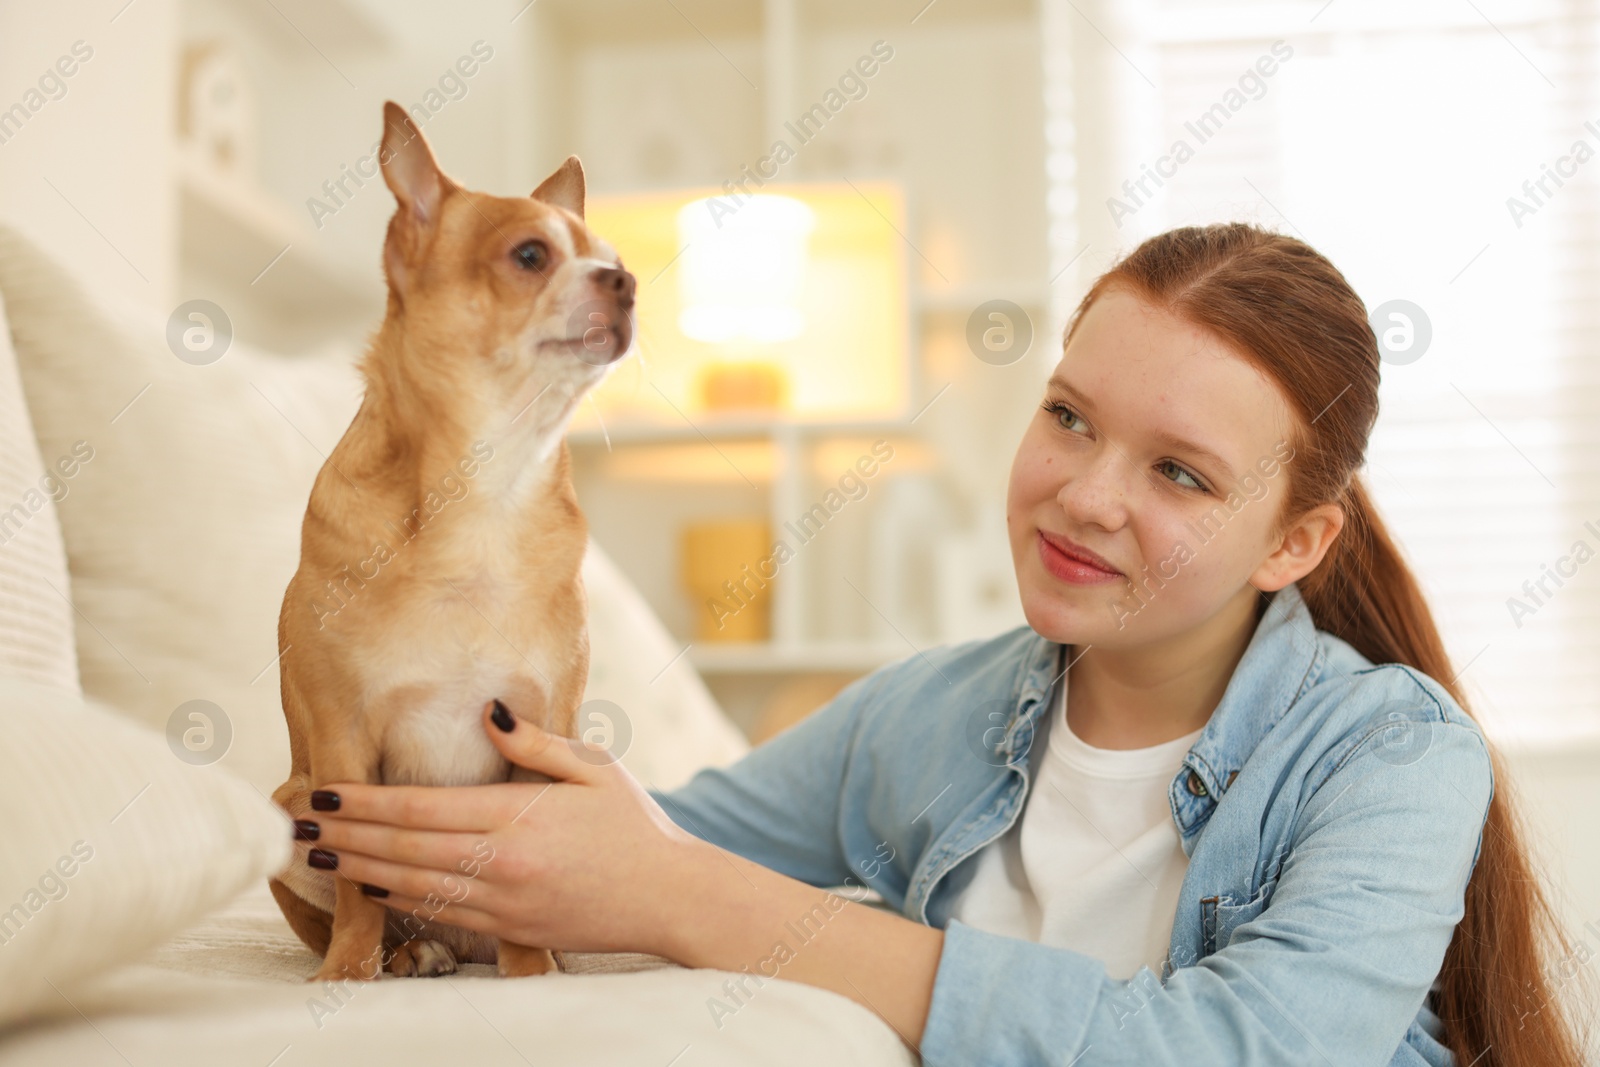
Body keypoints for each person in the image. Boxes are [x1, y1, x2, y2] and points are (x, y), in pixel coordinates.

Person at [302, 223, 1591, 1066]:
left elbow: (1240, 1052)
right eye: (1070, 417)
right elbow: (633, 842)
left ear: (1295, 543)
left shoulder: (1398, 760)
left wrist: (699, 901)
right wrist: (394, 809)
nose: (1086, 495)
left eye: (1182, 475)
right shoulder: (928, 716)